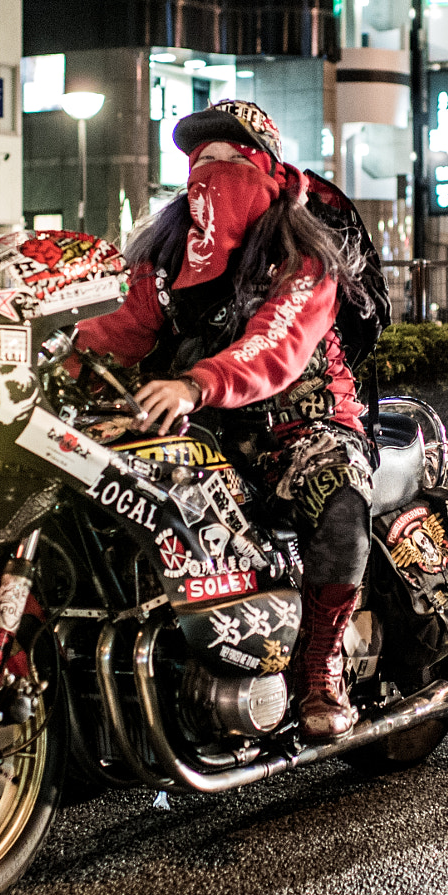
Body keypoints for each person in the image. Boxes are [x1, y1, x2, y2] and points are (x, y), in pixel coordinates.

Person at [75, 100, 378, 739]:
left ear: (264, 167)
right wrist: (58, 352)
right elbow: (124, 327)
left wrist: (196, 383)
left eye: (228, 159)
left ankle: (321, 666)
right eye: (200, 162)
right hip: (211, 429)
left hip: (304, 425)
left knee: (340, 488)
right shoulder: (165, 255)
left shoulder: (301, 252)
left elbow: (278, 343)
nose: (210, 174)